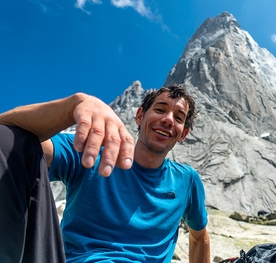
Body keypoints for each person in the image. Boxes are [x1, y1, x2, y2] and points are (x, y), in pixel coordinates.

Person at [0, 84, 210, 263]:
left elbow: (199, 237)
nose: (168, 119)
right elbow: (7, 136)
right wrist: (74, 104)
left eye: (178, 117)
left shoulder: (186, 180)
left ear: (183, 134)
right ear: (139, 115)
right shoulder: (90, 149)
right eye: (160, 109)